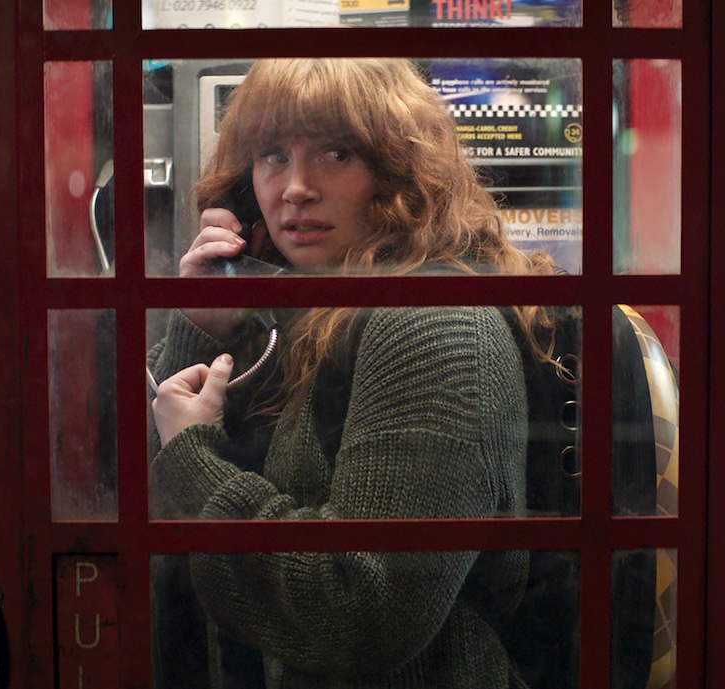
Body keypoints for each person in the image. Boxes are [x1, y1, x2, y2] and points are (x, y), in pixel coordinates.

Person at [148, 58, 562, 689]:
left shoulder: (432, 325)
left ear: (400, 171)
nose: (295, 188)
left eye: (336, 153)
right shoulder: (299, 309)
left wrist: (192, 458)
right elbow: (131, 507)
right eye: (272, 155)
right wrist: (204, 322)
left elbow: (361, 611)